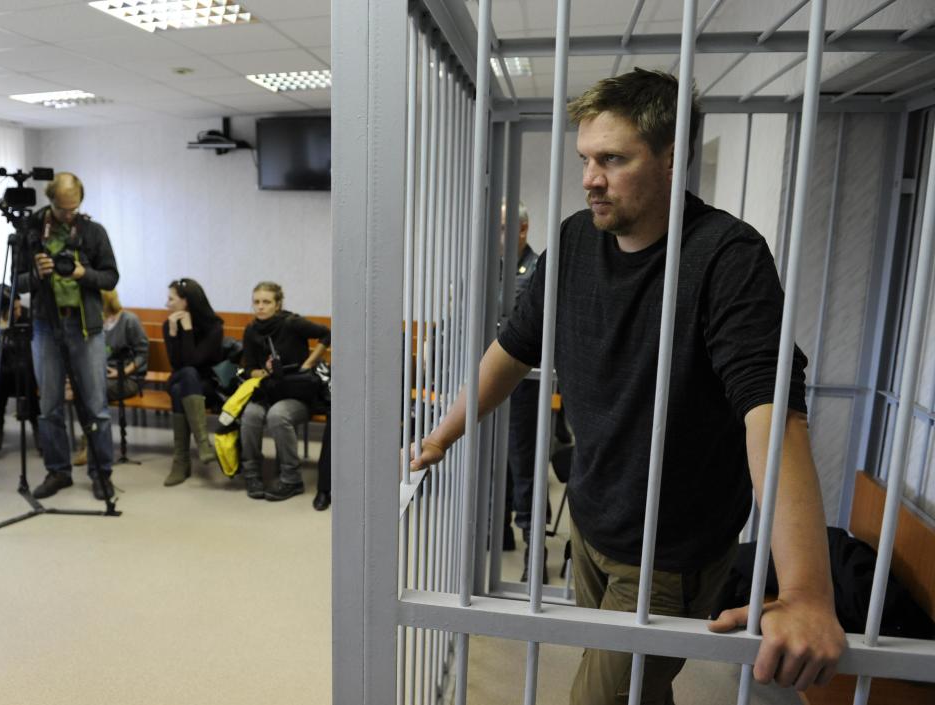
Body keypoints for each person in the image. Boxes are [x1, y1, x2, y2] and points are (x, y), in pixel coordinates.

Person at [411, 69, 845, 704]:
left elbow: (771, 412)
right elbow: (511, 351)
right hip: (592, 522)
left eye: (612, 159)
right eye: (587, 159)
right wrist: (441, 437)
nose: (590, 178)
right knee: (634, 690)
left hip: (668, 552)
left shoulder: (727, 256)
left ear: (672, 159)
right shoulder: (573, 240)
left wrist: (806, 592)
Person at [17, 171, 119, 500]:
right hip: (47, 326)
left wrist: (81, 273)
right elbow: (14, 283)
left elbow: (110, 277)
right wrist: (35, 274)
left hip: (86, 326)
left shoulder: (92, 231)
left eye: (74, 208)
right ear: (51, 202)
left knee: (96, 407)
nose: (69, 214)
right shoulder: (30, 232)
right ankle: (58, 471)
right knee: (49, 406)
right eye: (63, 209)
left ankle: (101, 473)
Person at [238, 282, 331, 505]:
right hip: (268, 390)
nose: (260, 307)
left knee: (278, 416)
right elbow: (249, 368)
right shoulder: (251, 330)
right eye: (257, 302)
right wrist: (265, 371)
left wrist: (308, 363)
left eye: (266, 302)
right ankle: (252, 475)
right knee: (250, 415)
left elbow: (327, 334)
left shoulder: (292, 323)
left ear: (277, 304)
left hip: (296, 393)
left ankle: (291, 479)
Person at [500, 199, 551, 581]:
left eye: (503, 228)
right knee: (487, 463)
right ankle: (495, 535)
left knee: (525, 466)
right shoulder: (486, 268)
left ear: (522, 229)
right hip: (486, 380)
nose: (496, 237)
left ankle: (535, 550)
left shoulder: (537, 269)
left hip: (523, 384)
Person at [71, 289, 149, 467]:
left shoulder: (129, 320)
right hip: (102, 374)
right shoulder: (95, 322)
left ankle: (90, 445)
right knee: (84, 390)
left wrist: (122, 372)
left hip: (129, 377)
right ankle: (90, 442)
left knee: (93, 393)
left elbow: (143, 354)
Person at [163, 278, 223, 487]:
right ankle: (203, 443)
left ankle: (181, 461)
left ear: (186, 302)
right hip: (180, 376)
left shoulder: (214, 327)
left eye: (171, 299)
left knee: (182, 387)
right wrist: (173, 332)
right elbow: (177, 364)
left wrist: (187, 330)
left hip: (206, 383)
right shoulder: (169, 324)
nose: (166, 304)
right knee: (185, 376)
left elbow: (195, 361)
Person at [0, 284, 40, 454]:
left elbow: (29, 350)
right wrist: (1, 328)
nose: (19, 312)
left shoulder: (26, 316)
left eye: (19, 307)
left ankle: (38, 426)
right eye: (14, 309)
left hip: (22, 369)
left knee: (26, 371)